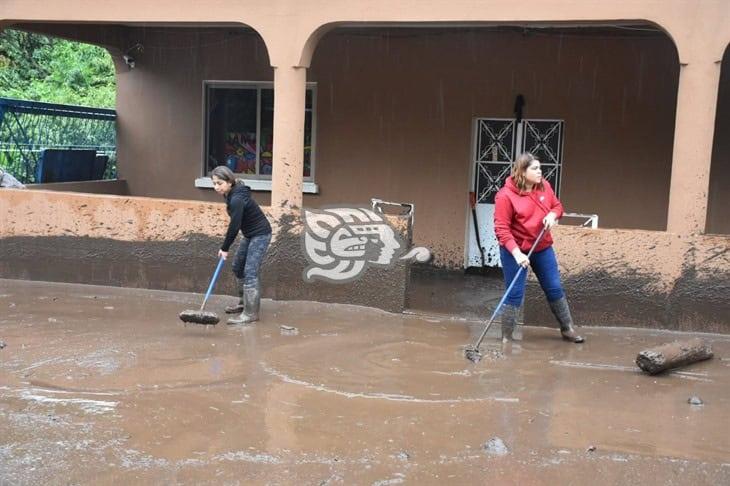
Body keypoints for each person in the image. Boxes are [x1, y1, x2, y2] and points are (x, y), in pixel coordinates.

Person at [493, 152, 584, 343]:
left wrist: (552, 215)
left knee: (554, 286)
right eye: (534, 168)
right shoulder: (505, 196)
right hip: (514, 250)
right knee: (515, 292)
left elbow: (558, 206)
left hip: (541, 246)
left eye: (540, 167)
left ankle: (567, 328)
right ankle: (506, 338)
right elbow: (501, 229)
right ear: (522, 171)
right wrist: (517, 254)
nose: (540, 171)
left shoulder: (544, 187)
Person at [211, 165, 272, 325]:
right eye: (214, 183)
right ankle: (244, 303)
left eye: (219, 183)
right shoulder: (231, 193)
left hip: (260, 234)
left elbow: (235, 225)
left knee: (250, 272)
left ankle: (250, 313)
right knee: (238, 267)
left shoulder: (237, 198)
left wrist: (224, 248)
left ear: (229, 182)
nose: (216, 187)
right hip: (250, 234)